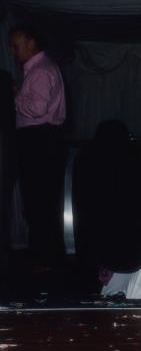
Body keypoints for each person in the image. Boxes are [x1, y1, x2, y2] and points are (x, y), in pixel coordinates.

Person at [9, 24, 67, 269]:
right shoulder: (41, 68)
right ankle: (48, 261)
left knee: (38, 205)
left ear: (31, 43)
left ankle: (43, 262)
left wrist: (16, 95)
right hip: (44, 141)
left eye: (15, 45)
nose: (12, 51)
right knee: (43, 204)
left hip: (38, 141)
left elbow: (37, 109)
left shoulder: (41, 71)